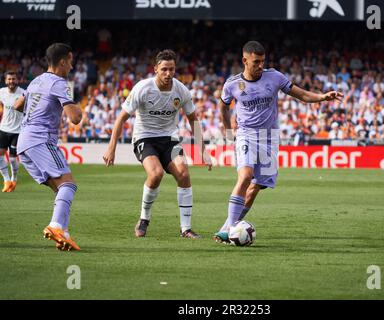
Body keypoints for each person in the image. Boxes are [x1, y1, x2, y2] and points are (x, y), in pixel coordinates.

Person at [214, 41, 343, 243]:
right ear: (244, 61)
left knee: (256, 187)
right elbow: (223, 108)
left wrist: (322, 97)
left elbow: (299, 93)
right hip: (246, 134)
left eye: (262, 61)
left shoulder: (274, 77)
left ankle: (226, 229)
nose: (260, 66)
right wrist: (229, 132)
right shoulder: (232, 84)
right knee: (246, 175)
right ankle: (230, 226)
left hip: (270, 138)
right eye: (256, 62)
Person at [103, 49, 211, 239]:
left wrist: (203, 150)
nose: (168, 74)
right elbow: (121, 119)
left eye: (171, 69)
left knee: (184, 174)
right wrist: (111, 148)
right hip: (145, 138)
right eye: (164, 70)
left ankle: (185, 229)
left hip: (169, 139)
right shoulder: (142, 88)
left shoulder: (181, 90)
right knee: (156, 174)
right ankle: (144, 219)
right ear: (156, 69)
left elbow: (193, 120)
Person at [14, 43, 83, 251]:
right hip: (41, 139)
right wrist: (76, 108)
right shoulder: (59, 83)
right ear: (62, 61)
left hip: (23, 142)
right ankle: (55, 227)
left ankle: (64, 233)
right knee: (68, 184)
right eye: (70, 61)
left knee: (60, 189)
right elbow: (75, 118)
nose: (71, 66)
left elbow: (18, 104)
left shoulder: (36, 80)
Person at [0, 71, 25, 192]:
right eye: (9, 79)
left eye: (13, 79)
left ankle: (14, 179)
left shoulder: (23, 93)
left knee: (13, 159)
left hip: (18, 131)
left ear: (17, 80)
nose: (11, 81)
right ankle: (6, 180)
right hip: (3, 129)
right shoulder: (1, 92)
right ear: (5, 81)